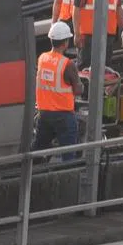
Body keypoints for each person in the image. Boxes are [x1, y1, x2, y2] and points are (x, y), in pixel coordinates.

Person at [33, 21, 83, 161]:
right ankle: (68, 176)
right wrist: (81, 85)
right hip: (63, 116)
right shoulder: (67, 64)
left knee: (38, 149)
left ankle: (32, 176)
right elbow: (78, 90)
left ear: (51, 39)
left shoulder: (42, 58)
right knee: (69, 154)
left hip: (44, 114)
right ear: (66, 42)